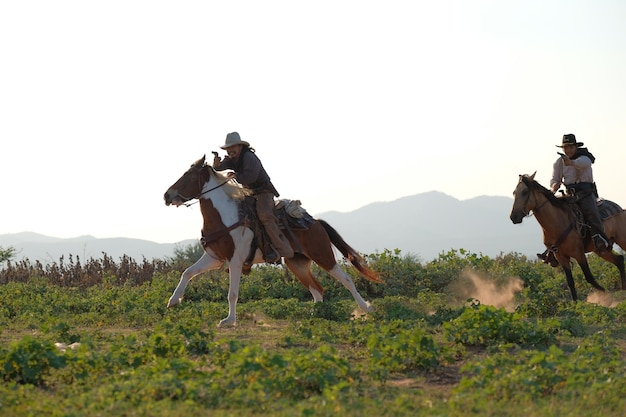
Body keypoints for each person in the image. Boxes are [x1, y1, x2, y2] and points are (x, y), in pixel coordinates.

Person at [212, 132, 294, 262]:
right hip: (249, 193)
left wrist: (235, 176)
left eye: (232, 147)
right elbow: (220, 168)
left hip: (263, 192)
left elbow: (250, 177)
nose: (230, 151)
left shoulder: (249, 157)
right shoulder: (232, 158)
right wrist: (216, 165)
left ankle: (282, 249)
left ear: (240, 146)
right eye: (228, 148)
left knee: (265, 216)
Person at [538, 134, 609, 265]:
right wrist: (554, 187)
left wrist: (571, 162)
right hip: (569, 194)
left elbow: (582, 164)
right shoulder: (559, 162)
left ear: (576, 147)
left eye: (570, 147)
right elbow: (555, 179)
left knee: (591, 212)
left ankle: (599, 239)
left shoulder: (584, 157)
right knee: (556, 216)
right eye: (566, 148)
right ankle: (552, 250)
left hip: (586, 193)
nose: (568, 150)